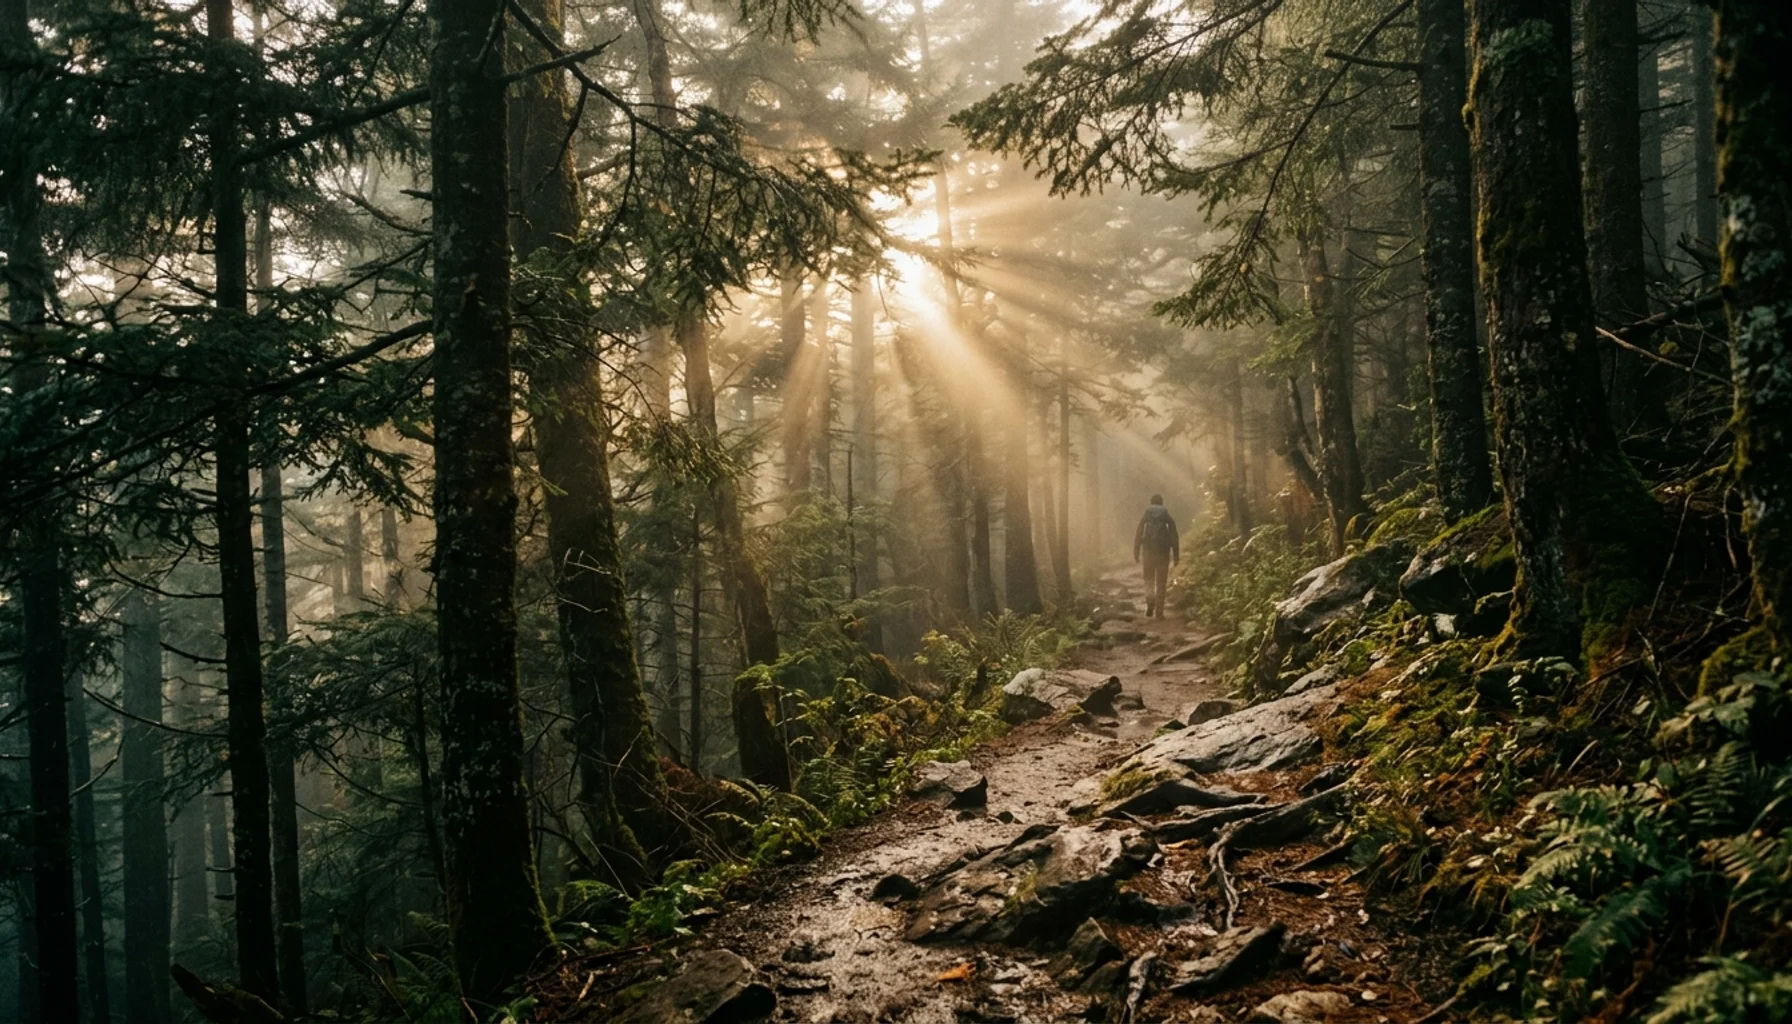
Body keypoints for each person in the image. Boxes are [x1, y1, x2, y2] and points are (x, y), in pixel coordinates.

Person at [1133, 494, 1180, 618]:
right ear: (1162, 503)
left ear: (1151, 502)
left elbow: (1138, 534)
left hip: (1148, 552)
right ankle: (1159, 611)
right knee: (1161, 582)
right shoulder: (1166, 516)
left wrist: (1136, 552)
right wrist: (1176, 556)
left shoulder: (1146, 516)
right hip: (1163, 554)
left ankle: (1150, 599)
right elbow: (1174, 536)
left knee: (1148, 579)